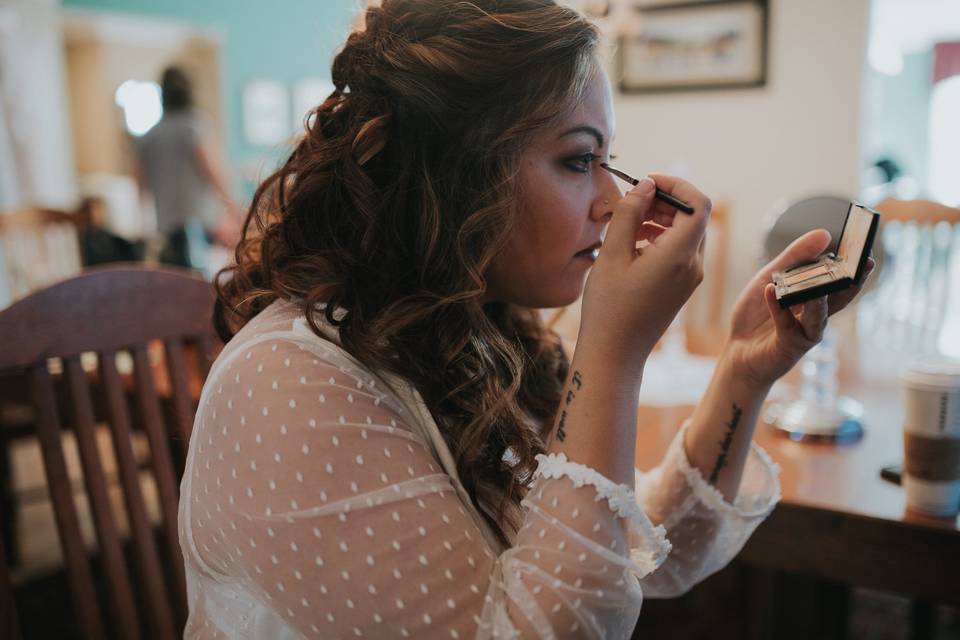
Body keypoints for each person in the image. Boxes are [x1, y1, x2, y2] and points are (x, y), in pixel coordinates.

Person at [177, 2, 874, 637]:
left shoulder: (469, 333)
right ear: (454, 172)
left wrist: (742, 375)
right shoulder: (290, 386)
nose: (610, 202)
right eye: (578, 160)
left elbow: (625, 556)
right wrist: (612, 352)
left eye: (610, 163)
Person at [135, 66, 240, 272]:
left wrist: (142, 222)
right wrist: (234, 207)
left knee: (175, 282)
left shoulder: (149, 135)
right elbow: (214, 173)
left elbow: (140, 182)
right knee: (201, 283)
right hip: (199, 223)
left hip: (165, 223)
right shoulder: (197, 127)